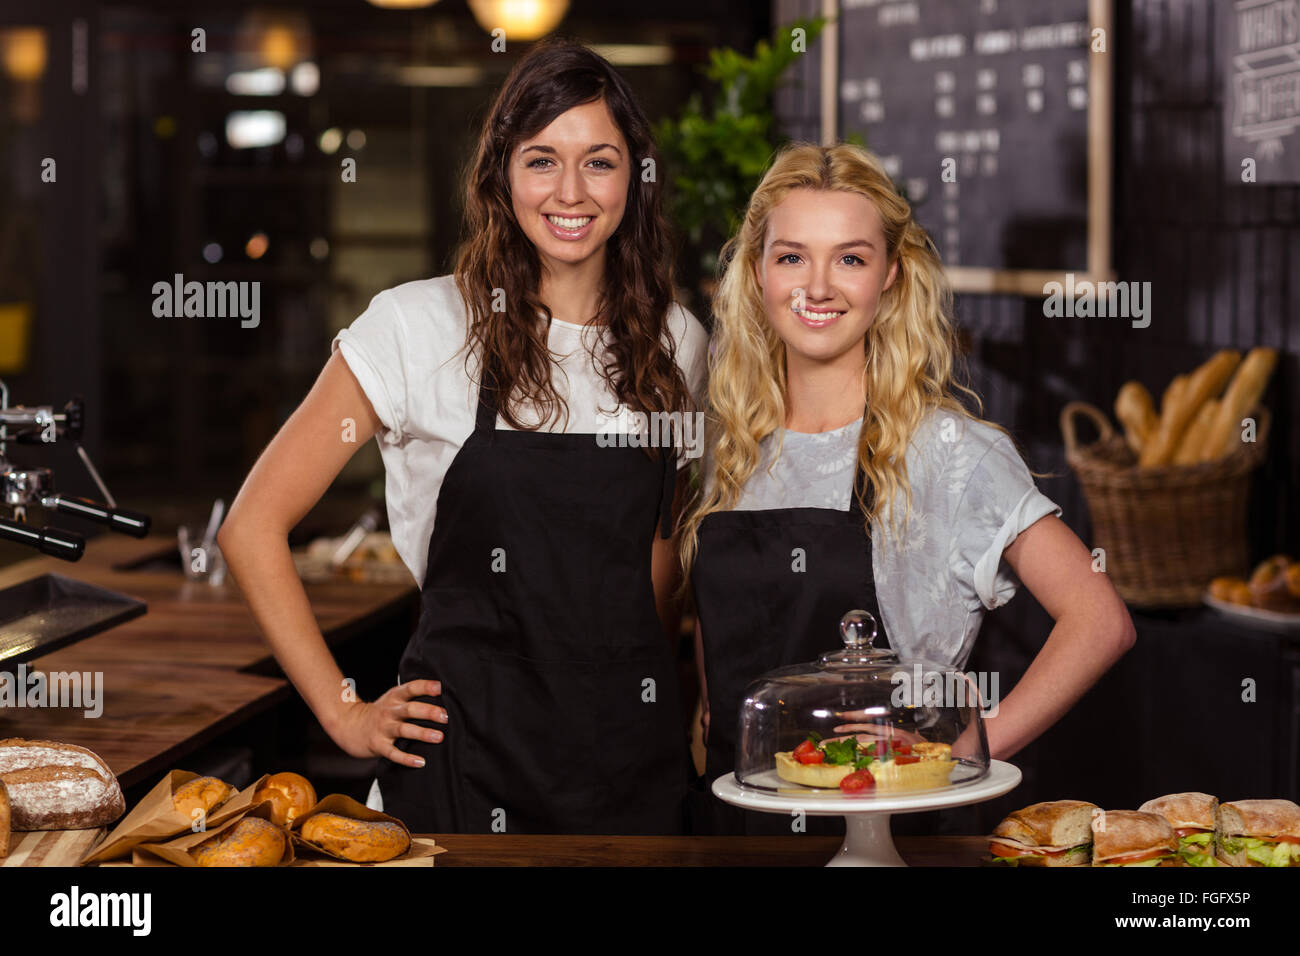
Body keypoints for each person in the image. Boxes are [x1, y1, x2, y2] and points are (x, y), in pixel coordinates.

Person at [218, 38, 708, 835]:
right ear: (500, 174)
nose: (571, 191)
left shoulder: (678, 341)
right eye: (542, 159)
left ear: (636, 179)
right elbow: (251, 528)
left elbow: (657, 562)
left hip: (630, 774)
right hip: (462, 775)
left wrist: (677, 709)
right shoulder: (418, 326)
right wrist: (346, 712)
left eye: (601, 161)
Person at [678, 142, 1136, 835]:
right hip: (728, 829)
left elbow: (1100, 621)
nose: (818, 285)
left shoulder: (948, 450)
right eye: (792, 256)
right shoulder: (734, 444)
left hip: (883, 834)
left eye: (851, 258)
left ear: (891, 275)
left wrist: (968, 752)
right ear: (757, 273)